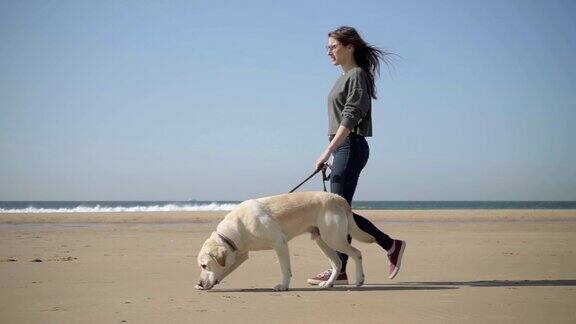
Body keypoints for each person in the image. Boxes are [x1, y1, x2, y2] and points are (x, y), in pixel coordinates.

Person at [308, 26, 406, 285]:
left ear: (349, 47)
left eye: (333, 46)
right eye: (327, 47)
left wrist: (328, 151)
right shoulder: (344, 77)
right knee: (340, 211)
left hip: (349, 146)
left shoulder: (357, 75)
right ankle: (340, 270)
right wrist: (332, 150)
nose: (329, 51)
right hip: (343, 147)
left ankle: (389, 245)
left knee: (338, 212)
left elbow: (351, 117)